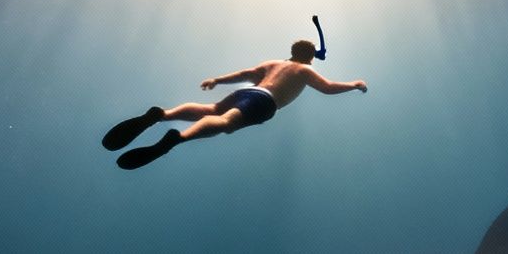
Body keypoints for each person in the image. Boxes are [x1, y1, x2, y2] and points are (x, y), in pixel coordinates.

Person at [102, 39, 368, 169]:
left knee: (213, 110)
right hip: (265, 102)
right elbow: (328, 88)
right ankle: (178, 139)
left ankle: (163, 114)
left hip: (249, 91)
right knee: (226, 123)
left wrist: (217, 79)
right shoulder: (303, 70)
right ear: (310, 57)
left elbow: (244, 74)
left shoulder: (275, 63)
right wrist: (354, 84)